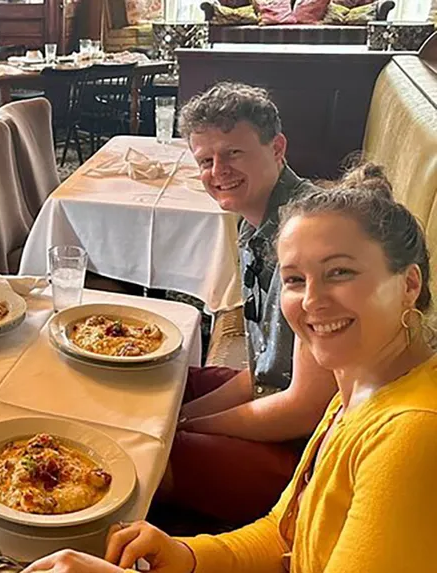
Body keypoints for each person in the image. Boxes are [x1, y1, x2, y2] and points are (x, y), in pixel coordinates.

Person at [23, 165, 437, 572]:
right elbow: (281, 534)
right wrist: (187, 556)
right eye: (294, 279)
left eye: (340, 272)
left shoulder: (412, 434)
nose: (312, 301)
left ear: (409, 284)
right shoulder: (362, 386)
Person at [152, 82, 337, 529]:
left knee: (141, 458)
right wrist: (186, 414)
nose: (219, 171)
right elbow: (263, 372)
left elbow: (305, 407)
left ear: (277, 148)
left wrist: (186, 430)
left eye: (234, 153)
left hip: (310, 457)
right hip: (278, 400)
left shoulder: (306, 238)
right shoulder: (258, 216)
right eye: (206, 160)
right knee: (159, 377)